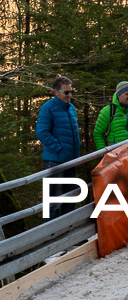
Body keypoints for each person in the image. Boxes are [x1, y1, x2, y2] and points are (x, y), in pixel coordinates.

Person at [36, 76, 81, 220]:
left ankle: (69, 231)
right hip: (54, 160)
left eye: (71, 91)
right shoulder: (48, 108)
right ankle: (52, 235)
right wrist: (59, 147)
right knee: (54, 199)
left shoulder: (71, 108)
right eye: (66, 92)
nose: (70, 95)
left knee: (71, 196)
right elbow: (42, 132)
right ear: (56, 92)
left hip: (71, 160)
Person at [94, 81, 128, 150]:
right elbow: (98, 134)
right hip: (116, 153)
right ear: (119, 95)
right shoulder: (108, 111)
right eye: (127, 94)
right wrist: (104, 153)